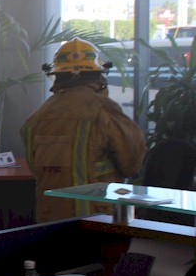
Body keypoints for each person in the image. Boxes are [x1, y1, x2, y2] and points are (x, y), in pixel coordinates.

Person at [21, 37, 147, 224]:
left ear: (56, 76)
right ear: (98, 76)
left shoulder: (35, 118)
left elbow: (37, 170)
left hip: (50, 221)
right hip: (98, 220)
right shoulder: (103, 110)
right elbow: (131, 164)